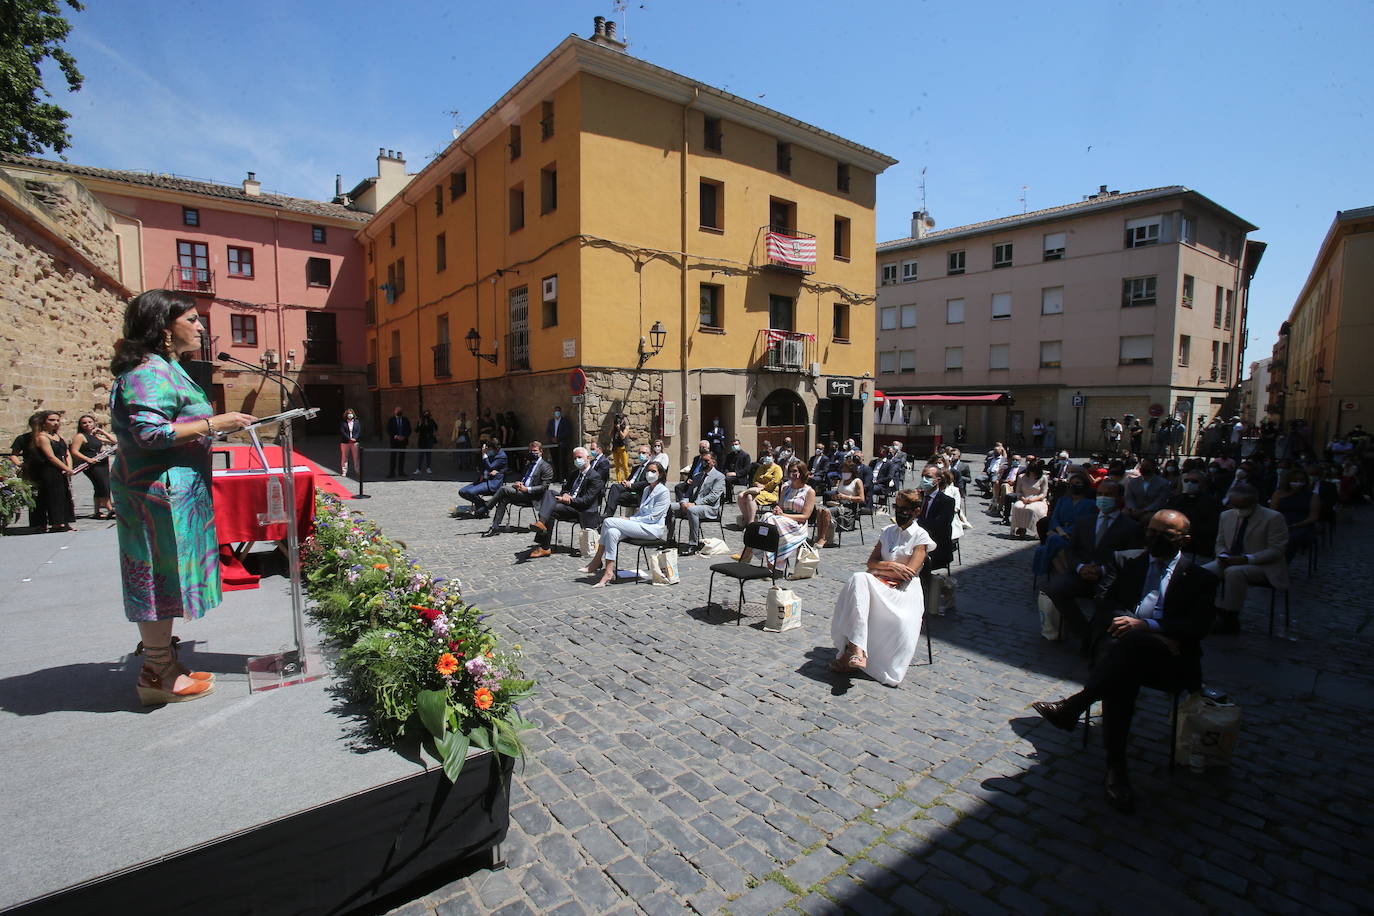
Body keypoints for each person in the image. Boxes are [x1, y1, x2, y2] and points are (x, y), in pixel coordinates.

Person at [109, 289, 255, 704]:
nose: (201, 326)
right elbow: (150, 434)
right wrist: (214, 422)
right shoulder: (147, 371)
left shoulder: (167, 367)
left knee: (168, 579)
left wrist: (213, 426)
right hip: (155, 498)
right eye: (192, 319)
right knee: (155, 579)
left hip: (172, 495)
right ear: (163, 326)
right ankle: (155, 674)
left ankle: (165, 663)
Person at [1031, 510, 1218, 813]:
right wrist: (1137, 627)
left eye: (1165, 535)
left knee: (1128, 655)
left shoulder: (1200, 578)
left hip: (1169, 659)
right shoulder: (1126, 561)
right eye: (1151, 531)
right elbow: (1105, 604)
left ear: (1184, 540)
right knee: (1124, 670)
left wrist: (1151, 628)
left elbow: (1198, 627)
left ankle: (1077, 707)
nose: (1154, 539)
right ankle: (1115, 767)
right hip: (1121, 644)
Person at [828, 488, 936, 687]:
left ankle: (853, 649)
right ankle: (856, 650)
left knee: (860, 579)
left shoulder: (920, 537)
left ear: (916, 511)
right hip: (880, 584)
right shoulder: (887, 532)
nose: (900, 512)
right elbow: (871, 562)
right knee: (859, 579)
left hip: (904, 591)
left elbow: (908, 574)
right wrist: (889, 566)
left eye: (905, 509)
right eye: (898, 508)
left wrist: (880, 569)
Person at [1040, 480, 1145, 638]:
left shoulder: (1131, 527)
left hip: (1111, 579)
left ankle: (1100, 634)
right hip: (1081, 574)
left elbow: (1132, 558)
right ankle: (1084, 633)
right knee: (1054, 588)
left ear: (1120, 498)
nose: (1103, 498)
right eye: (1100, 494)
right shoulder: (1085, 521)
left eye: (1108, 495)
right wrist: (1080, 567)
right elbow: (1071, 550)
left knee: (1107, 602)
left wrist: (1102, 570)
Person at [1202, 483, 1288, 634]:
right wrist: (1222, 555)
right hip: (1230, 560)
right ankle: (1209, 611)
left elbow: (1276, 550)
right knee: (1202, 573)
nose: (1238, 509)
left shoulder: (1273, 518)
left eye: (1242, 506)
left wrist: (1247, 559)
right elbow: (1220, 542)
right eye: (1235, 505)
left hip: (1263, 565)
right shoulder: (1226, 515)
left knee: (1235, 573)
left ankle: (1230, 618)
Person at [585, 461, 670, 587]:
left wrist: (629, 520)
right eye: (648, 471)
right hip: (641, 525)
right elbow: (641, 512)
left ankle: (596, 560)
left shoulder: (663, 492)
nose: (649, 473)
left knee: (608, 521)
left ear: (661, 474)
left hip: (652, 529)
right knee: (612, 532)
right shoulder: (647, 489)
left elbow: (653, 517)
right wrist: (630, 519)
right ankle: (609, 571)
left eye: (653, 471)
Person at [736, 459, 827, 560]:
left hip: (797, 524)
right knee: (767, 519)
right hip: (781, 520)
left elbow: (804, 517)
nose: (793, 474)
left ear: (802, 473)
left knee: (767, 519)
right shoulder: (786, 488)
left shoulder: (809, 491)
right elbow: (780, 506)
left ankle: (749, 551)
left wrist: (783, 515)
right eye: (791, 471)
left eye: (796, 471)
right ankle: (768, 561)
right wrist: (777, 510)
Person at [528, 447, 606, 558]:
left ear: (588, 458)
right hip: (569, 504)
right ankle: (541, 522)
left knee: (551, 509)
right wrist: (564, 494)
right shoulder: (574, 474)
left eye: (579, 457)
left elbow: (587, 501)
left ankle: (544, 546)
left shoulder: (595, 477)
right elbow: (565, 489)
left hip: (582, 509)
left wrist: (570, 500)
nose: (577, 460)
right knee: (549, 493)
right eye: (575, 458)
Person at [1034, 470, 1098, 577]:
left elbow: (1084, 522)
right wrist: (1059, 531)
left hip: (1075, 536)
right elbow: (1055, 518)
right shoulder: (1063, 500)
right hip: (1059, 532)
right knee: (1054, 542)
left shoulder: (1090, 504)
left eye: (1078, 483)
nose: (1074, 485)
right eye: (1072, 483)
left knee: (1052, 541)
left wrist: (1065, 533)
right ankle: (1064, 575)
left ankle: (1049, 573)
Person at [482, 440, 554, 535]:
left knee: (503, 489)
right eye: (531, 451)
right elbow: (520, 478)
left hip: (533, 496)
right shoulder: (529, 464)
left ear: (541, 452)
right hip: (521, 492)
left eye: (535, 451)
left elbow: (544, 487)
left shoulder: (546, 466)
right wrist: (518, 483)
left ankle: (486, 506)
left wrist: (527, 489)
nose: (533, 453)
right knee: (504, 498)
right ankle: (495, 527)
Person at [667, 449, 725, 555]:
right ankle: (670, 539)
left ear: (713, 462)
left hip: (709, 508)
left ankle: (693, 544)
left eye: (706, 461)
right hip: (692, 505)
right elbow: (688, 493)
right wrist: (683, 502)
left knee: (693, 510)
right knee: (671, 507)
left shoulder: (719, 477)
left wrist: (695, 504)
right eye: (702, 460)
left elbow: (713, 496)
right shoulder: (697, 476)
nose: (703, 463)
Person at [30, 411, 76, 532]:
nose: (55, 423)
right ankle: (56, 523)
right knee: (53, 496)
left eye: (57, 420)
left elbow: (66, 453)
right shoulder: (42, 437)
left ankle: (64, 521)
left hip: (61, 470)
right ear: (44, 422)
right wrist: (66, 468)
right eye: (51, 420)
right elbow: (50, 457)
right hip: (50, 471)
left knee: (64, 495)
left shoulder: (58, 436)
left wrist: (69, 467)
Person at [1163, 469, 1222, 560]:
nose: (1189, 483)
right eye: (1186, 481)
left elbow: (1212, 527)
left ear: (1203, 484)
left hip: (1199, 547)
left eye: (1194, 481)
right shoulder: (1175, 500)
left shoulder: (1212, 503)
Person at [1269, 469, 1321, 562]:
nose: (1298, 483)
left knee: (1291, 538)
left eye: (1301, 481)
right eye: (1295, 481)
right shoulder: (1279, 494)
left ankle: (1283, 563)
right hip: (1281, 523)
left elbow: (1313, 517)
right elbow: (1272, 511)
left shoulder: (1313, 496)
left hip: (1303, 525)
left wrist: (1296, 525)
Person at [71, 414, 117, 519]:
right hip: (91, 465)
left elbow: (114, 442)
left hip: (102, 464)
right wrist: (88, 459)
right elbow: (74, 451)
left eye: (89, 422)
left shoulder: (94, 436)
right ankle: (110, 509)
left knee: (99, 487)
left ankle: (97, 512)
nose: (87, 424)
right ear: (80, 425)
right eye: (84, 423)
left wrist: (103, 432)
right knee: (103, 486)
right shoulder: (80, 436)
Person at [457, 437, 507, 517]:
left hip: (492, 483)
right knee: (462, 491)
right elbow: (483, 466)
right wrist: (482, 473)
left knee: (470, 492)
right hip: (483, 480)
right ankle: (484, 505)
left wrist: (484, 454)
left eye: (488, 448)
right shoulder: (490, 454)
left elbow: (490, 467)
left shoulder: (501, 456)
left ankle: (483, 507)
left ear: (492, 448)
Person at [601, 443, 653, 517]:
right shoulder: (636, 468)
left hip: (638, 493)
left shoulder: (650, 467)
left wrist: (631, 485)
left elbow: (647, 482)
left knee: (615, 497)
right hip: (628, 489)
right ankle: (607, 515)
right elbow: (630, 479)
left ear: (649, 455)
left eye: (643, 453)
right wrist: (625, 482)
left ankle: (607, 515)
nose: (641, 455)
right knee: (614, 488)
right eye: (639, 453)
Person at [736, 447, 782, 527]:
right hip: (757, 490)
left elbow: (775, 482)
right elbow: (754, 480)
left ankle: (751, 523)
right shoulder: (761, 467)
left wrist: (764, 487)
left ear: (774, 458)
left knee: (750, 497)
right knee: (740, 496)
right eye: (765, 456)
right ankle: (747, 518)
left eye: (769, 456)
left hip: (770, 493)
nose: (767, 458)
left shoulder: (777, 468)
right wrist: (757, 484)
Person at [1008, 457, 1049, 538]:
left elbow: (1043, 493)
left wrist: (1033, 499)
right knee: (1017, 507)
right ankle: (1021, 527)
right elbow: (1018, 491)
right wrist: (1023, 498)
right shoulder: (1021, 477)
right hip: (1024, 498)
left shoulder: (1043, 478)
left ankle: (1035, 529)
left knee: (1031, 509)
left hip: (1037, 500)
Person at [1122, 457, 1170, 522]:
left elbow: (1160, 501)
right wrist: (1133, 509)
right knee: (1123, 514)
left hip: (1153, 511)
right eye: (1142, 466)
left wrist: (1145, 511)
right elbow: (1129, 498)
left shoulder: (1163, 483)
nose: (1144, 468)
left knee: (1147, 518)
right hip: (1134, 510)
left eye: (1147, 466)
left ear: (1153, 468)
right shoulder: (1132, 482)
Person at [824, 459, 865, 532]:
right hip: (839, 505)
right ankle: (823, 534)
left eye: (846, 471)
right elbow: (839, 492)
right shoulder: (842, 480)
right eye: (843, 471)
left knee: (826, 512)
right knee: (821, 511)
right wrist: (835, 497)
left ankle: (825, 536)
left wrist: (846, 497)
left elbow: (861, 499)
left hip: (849, 508)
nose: (844, 473)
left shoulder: (857, 481)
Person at [721, 437, 752, 502]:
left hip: (740, 477)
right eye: (733, 445)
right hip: (730, 476)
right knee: (723, 478)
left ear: (740, 445)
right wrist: (726, 472)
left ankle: (728, 498)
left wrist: (736, 474)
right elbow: (725, 466)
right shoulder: (729, 455)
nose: (734, 446)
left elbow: (747, 469)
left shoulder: (745, 455)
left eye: (736, 444)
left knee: (727, 479)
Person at [546, 405, 572, 479]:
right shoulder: (551, 421)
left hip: (562, 444)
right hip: (553, 445)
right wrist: (552, 438)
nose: (557, 413)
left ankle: (564, 477)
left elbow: (567, 432)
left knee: (563, 461)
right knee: (555, 461)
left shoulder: (565, 421)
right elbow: (548, 431)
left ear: (560, 412)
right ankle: (556, 477)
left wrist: (558, 438)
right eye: (555, 411)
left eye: (558, 411)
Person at [385, 406, 410, 477]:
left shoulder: (405, 420)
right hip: (394, 441)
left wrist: (404, 436)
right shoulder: (391, 420)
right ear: (394, 411)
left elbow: (408, 429)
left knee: (402, 457)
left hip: (403, 441)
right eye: (397, 410)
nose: (399, 412)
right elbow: (388, 429)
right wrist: (395, 436)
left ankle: (401, 472)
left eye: (400, 410)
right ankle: (392, 473)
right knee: (393, 457)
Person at [339, 408, 362, 478]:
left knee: (356, 457)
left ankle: (357, 470)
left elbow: (358, 431)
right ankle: (344, 471)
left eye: (351, 413)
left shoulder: (356, 422)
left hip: (355, 442)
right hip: (345, 442)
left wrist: (355, 438)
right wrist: (349, 439)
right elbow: (342, 431)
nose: (350, 415)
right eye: (348, 413)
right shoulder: (343, 423)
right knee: (344, 457)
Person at [414, 409, 438, 474]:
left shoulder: (431, 421)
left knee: (428, 455)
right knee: (420, 455)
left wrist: (429, 425)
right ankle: (418, 469)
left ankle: (428, 468)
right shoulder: (420, 421)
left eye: (428, 414)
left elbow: (436, 428)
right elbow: (416, 430)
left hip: (429, 440)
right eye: (425, 414)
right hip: (422, 441)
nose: (426, 416)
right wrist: (419, 424)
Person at [610, 414, 631, 482]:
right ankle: (619, 481)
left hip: (623, 448)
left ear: (623, 420)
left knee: (625, 466)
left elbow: (623, 436)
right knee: (617, 466)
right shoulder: (615, 427)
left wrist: (619, 429)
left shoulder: (626, 427)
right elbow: (610, 435)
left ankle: (628, 480)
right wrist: (613, 427)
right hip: (615, 448)